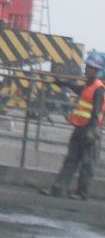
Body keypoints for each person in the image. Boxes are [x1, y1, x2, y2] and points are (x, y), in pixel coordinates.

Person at [44, 56, 104, 201]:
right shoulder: (87, 86)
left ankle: (81, 193)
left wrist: (92, 130)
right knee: (71, 159)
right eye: (87, 67)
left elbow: (96, 112)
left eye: (89, 68)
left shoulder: (99, 88)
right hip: (79, 127)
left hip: (90, 130)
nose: (86, 69)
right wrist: (62, 83)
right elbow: (78, 89)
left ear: (96, 71)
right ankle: (58, 188)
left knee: (87, 163)